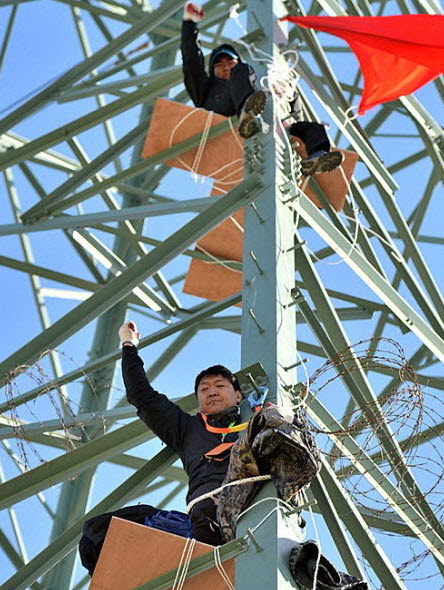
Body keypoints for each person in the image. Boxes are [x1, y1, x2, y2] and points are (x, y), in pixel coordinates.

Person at [119, 320, 244, 546]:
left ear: (239, 396)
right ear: (198, 401)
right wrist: (128, 344)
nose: (212, 392)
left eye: (220, 386)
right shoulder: (187, 429)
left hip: (253, 507)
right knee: (102, 527)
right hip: (207, 517)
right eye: (204, 389)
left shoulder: (258, 421)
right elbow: (142, 395)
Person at [181, 2, 343, 176]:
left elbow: (294, 113)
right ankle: (246, 115)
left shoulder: (252, 82)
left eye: (230, 62)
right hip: (223, 114)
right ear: (212, 71)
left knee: (312, 128)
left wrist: (287, 93)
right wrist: (190, 23)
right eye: (219, 65)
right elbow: (191, 60)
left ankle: (317, 156)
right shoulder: (205, 89)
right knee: (243, 73)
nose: (226, 67)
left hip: (265, 118)